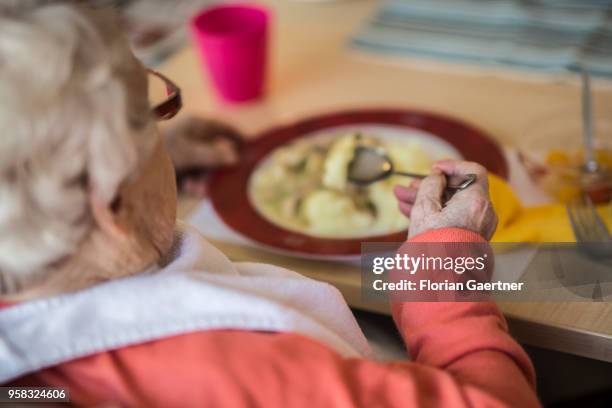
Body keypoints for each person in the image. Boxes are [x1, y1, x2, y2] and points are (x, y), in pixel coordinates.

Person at [0, 3, 540, 407]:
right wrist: (441, 276)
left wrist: (151, 164)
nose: (163, 126)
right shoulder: (246, 377)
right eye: (150, 119)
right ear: (111, 204)